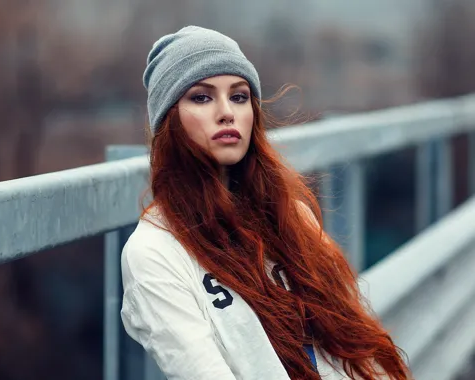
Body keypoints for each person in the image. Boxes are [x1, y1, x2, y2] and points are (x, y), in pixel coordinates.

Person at [120, 25, 411, 380]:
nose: (226, 112)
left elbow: (351, 346)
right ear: (170, 120)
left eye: (239, 97)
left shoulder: (291, 216)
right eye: (201, 97)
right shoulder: (154, 250)